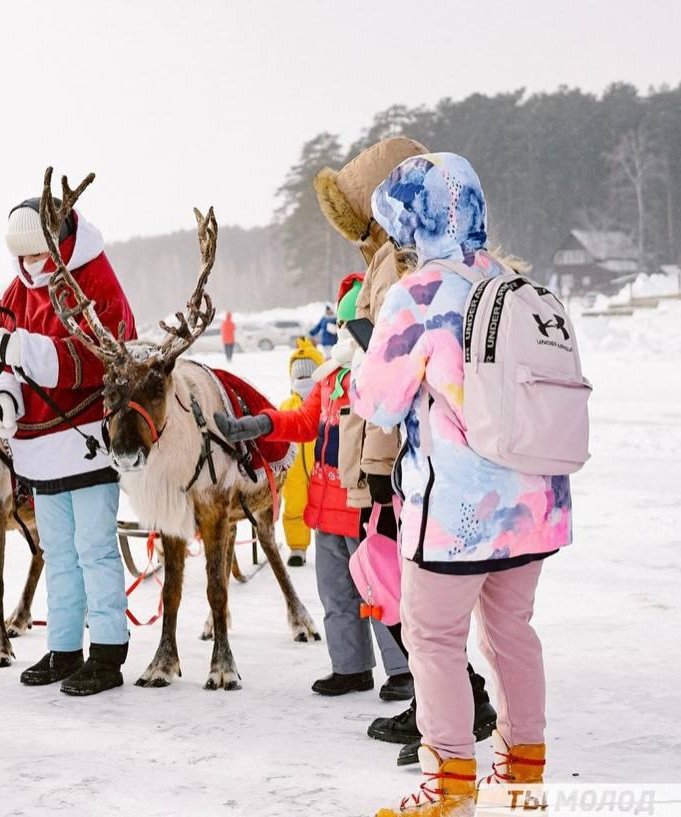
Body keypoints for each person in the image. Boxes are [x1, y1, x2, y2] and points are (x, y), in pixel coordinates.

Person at [355, 153, 568, 816]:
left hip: (458, 513)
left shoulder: (416, 293)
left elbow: (378, 402)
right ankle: (523, 776)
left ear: (411, 222)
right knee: (513, 631)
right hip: (534, 502)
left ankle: (447, 786)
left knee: (435, 637)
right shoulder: (516, 283)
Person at [316, 137, 496, 766]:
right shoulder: (390, 259)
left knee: (395, 578)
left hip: (393, 447)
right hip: (385, 444)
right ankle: (444, 695)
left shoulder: (398, 263)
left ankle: (449, 700)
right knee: (392, 576)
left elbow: (393, 360)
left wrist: (354, 348)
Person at [213, 275, 409, 699]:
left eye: (353, 325)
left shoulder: (384, 375)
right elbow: (303, 422)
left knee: (382, 592)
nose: (346, 335)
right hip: (325, 511)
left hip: (367, 508)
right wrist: (261, 423)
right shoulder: (329, 378)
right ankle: (350, 667)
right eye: (341, 326)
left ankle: (403, 669)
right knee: (336, 594)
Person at [0, 195, 135, 696]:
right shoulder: (14, 293)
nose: (29, 265)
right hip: (39, 447)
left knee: (95, 550)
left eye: (38, 253)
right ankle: (65, 647)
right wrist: (3, 398)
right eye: (21, 256)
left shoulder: (93, 280)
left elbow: (108, 351)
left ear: (62, 242)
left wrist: (31, 353)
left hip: (88, 437)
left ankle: (108, 652)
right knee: (59, 552)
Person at [277, 337, 323, 567]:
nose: (303, 380)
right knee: (294, 506)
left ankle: (330, 544)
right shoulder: (287, 406)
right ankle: (297, 546)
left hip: (321, 468)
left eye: (308, 375)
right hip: (294, 470)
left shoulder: (325, 403)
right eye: (299, 375)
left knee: (325, 506)